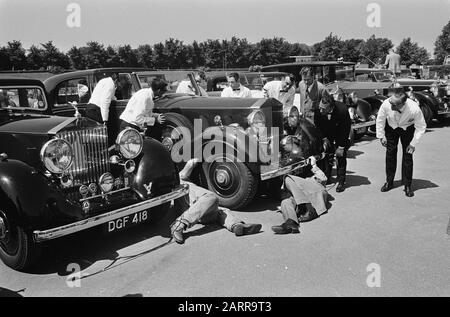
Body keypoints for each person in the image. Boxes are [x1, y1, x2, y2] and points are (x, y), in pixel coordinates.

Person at [170, 158, 262, 244]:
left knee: (221, 211)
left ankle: (236, 226)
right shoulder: (180, 180)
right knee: (211, 197)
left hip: (196, 213)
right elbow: (189, 166)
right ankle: (178, 225)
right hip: (188, 207)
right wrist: (196, 158)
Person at [376, 89, 426, 197]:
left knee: (408, 155)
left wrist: (413, 143)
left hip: (407, 129)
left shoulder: (414, 109)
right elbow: (380, 119)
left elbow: (421, 127)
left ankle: (407, 185)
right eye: (390, 102)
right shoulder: (387, 103)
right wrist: (381, 136)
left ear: (402, 104)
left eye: (393, 104)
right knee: (390, 154)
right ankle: (389, 182)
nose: (390, 104)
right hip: (391, 128)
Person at [271, 156, 329, 234]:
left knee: (287, 178)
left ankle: (306, 207)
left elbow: (323, 178)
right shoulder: (298, 185)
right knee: (285, 202)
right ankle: (291, 224)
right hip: (303, 204)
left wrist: (314, 165)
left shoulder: (314, 181)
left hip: (313, 199)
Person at [315, 89, 352, 192]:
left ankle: (341, 181)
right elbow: (317, 125)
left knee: (341, 156)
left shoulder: (342, 110)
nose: (321, 111)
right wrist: (324, 138)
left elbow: (346, 129)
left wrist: (341, 147)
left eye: (323, 109)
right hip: (327, 133)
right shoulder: (318, 109)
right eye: (320, 108)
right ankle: (327, 176)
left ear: (331, 107)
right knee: (326, 154)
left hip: (340, 133)